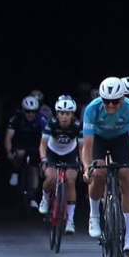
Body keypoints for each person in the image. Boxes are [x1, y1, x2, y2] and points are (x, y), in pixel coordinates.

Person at [81, 76, 129, 255]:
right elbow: (88, 145)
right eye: (106, 102)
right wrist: (87, 168)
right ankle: (94, 216)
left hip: (121, 139)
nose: (110, 106)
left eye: (115, 102)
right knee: (98, 174)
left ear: (123, 99)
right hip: (99, 139)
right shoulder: (92, 109)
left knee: (126, 176)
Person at [39, 96, 83, 234]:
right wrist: (44, 159)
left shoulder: (77, 125)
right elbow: (43, 144)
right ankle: (45, 199)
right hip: (53, 152)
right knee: (51, 178)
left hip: (70, 153)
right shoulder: (51, 123)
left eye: (68, 114)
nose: (64, 117)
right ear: (57, 114)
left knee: (70, 180)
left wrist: (82, 162)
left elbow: (82, 147)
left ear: (72, 115)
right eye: (61, 113)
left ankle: (70, 220)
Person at [6, 95, 47, 208]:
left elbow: (46, 138)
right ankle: (15, 171)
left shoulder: (41, 119)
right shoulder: (16, 118)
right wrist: (9, 152)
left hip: (35, 145)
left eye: (33, 112)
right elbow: (8, 137)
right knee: (19, 153)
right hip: (20, 143)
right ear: (23, 110)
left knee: (34, 169)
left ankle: (33, 196)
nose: (30, 114)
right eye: (28, 112)